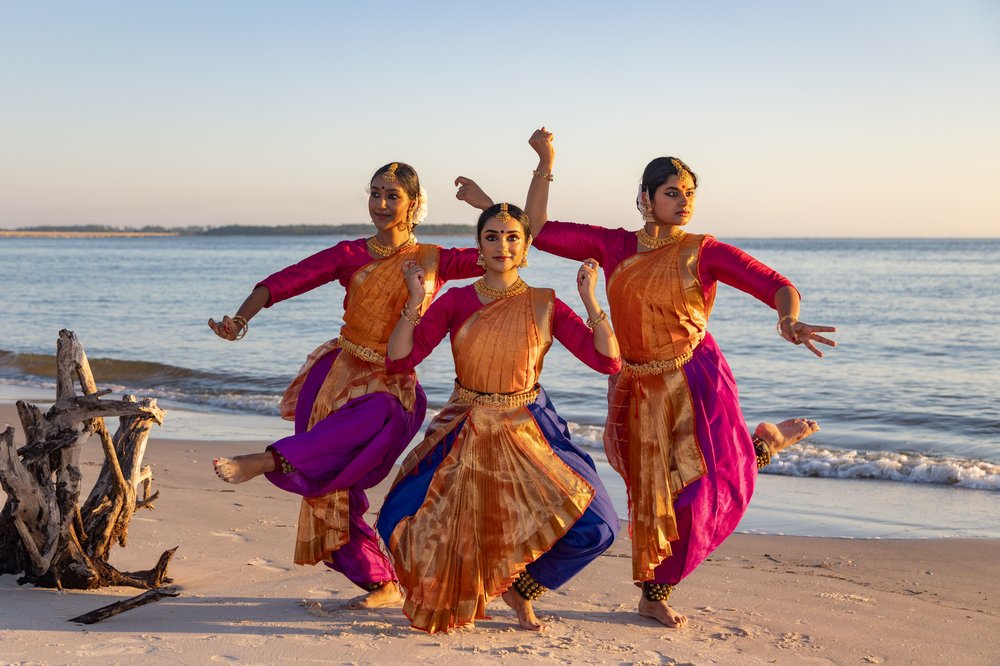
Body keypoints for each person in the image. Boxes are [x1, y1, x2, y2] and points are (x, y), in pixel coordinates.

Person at [456, 129, 836, 628]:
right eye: (672, 192)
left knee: (710, 489)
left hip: (698, 379)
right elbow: (540, 229)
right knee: (655, 499)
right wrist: (546, 161)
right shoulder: (614, 246)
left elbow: (775, 284)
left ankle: (754, 456)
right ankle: (598, 589)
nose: (683, 202)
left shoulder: (704, 250)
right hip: (638, 388)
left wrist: (788, 319)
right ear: (644, 199)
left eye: (689, 193)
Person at [209, 162, 483, 609]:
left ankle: (265, 460)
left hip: (393, 385)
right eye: (374, 193)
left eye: (392, 195)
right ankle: (380, 582)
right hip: (334, 378)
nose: (380, 203)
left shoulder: (435, 259)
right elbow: (285, 281)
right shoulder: (350, 253)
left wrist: (484, 205)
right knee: (332, 486)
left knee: (376, 417)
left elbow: (506, 248)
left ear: (414, 203)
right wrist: (240, 319)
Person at [376, 202, 621, 633]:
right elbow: (400, 359)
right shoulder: (455, 301)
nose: (502, 246)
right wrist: (415, 301)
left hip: (531, 424)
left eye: (512, 237)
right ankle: (452, 589)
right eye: (492, 236)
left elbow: (607, 361)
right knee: (397, 516)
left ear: (527, 246)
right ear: (479, 245)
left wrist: (590, 300)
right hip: (465, 424)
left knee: (600, 526)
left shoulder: (545, 303)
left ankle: (523, 588)